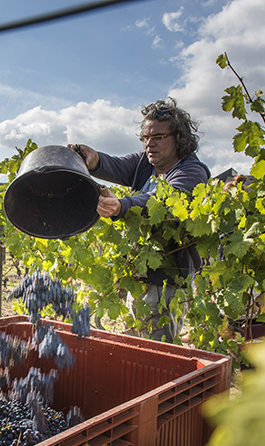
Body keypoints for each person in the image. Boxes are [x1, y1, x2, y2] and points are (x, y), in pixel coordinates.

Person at [68, 97, 210, 342]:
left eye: (158, 137)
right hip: (139, 277)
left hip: (166, 284)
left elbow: (162, 203)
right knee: (137, 346)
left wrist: (121, 206)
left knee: (157, 351)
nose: (149, 144)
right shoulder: (146, 163)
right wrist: (94, 159)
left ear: (179, 138)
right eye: (145, 138)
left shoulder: (191, 172)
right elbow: (116, 165)